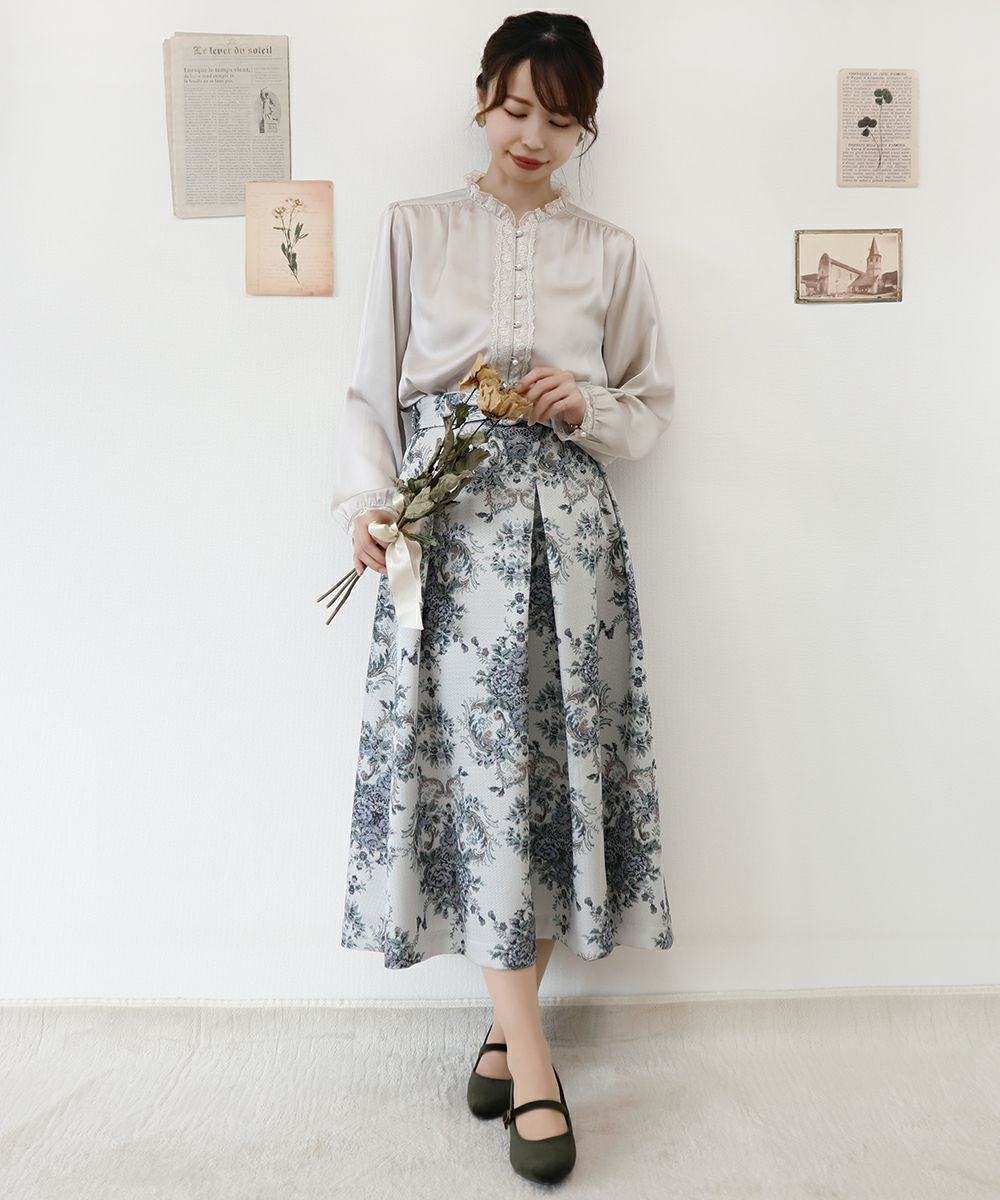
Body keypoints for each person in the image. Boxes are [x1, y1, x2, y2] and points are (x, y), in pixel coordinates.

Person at [330, 12, 676, 1184]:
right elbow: (370, 391)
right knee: (476, 786)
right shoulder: (412, 229)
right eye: (516, 107)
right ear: (481, 97)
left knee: (550, 779)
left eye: (560, 119)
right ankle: (532, 1059)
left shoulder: (610, 252)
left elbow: (651, 401)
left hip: (571, 545)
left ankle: (502, 1031)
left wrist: (588, 407)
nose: (533, 136)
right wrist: (369, 507)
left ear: (585, 128)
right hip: (450, 540)